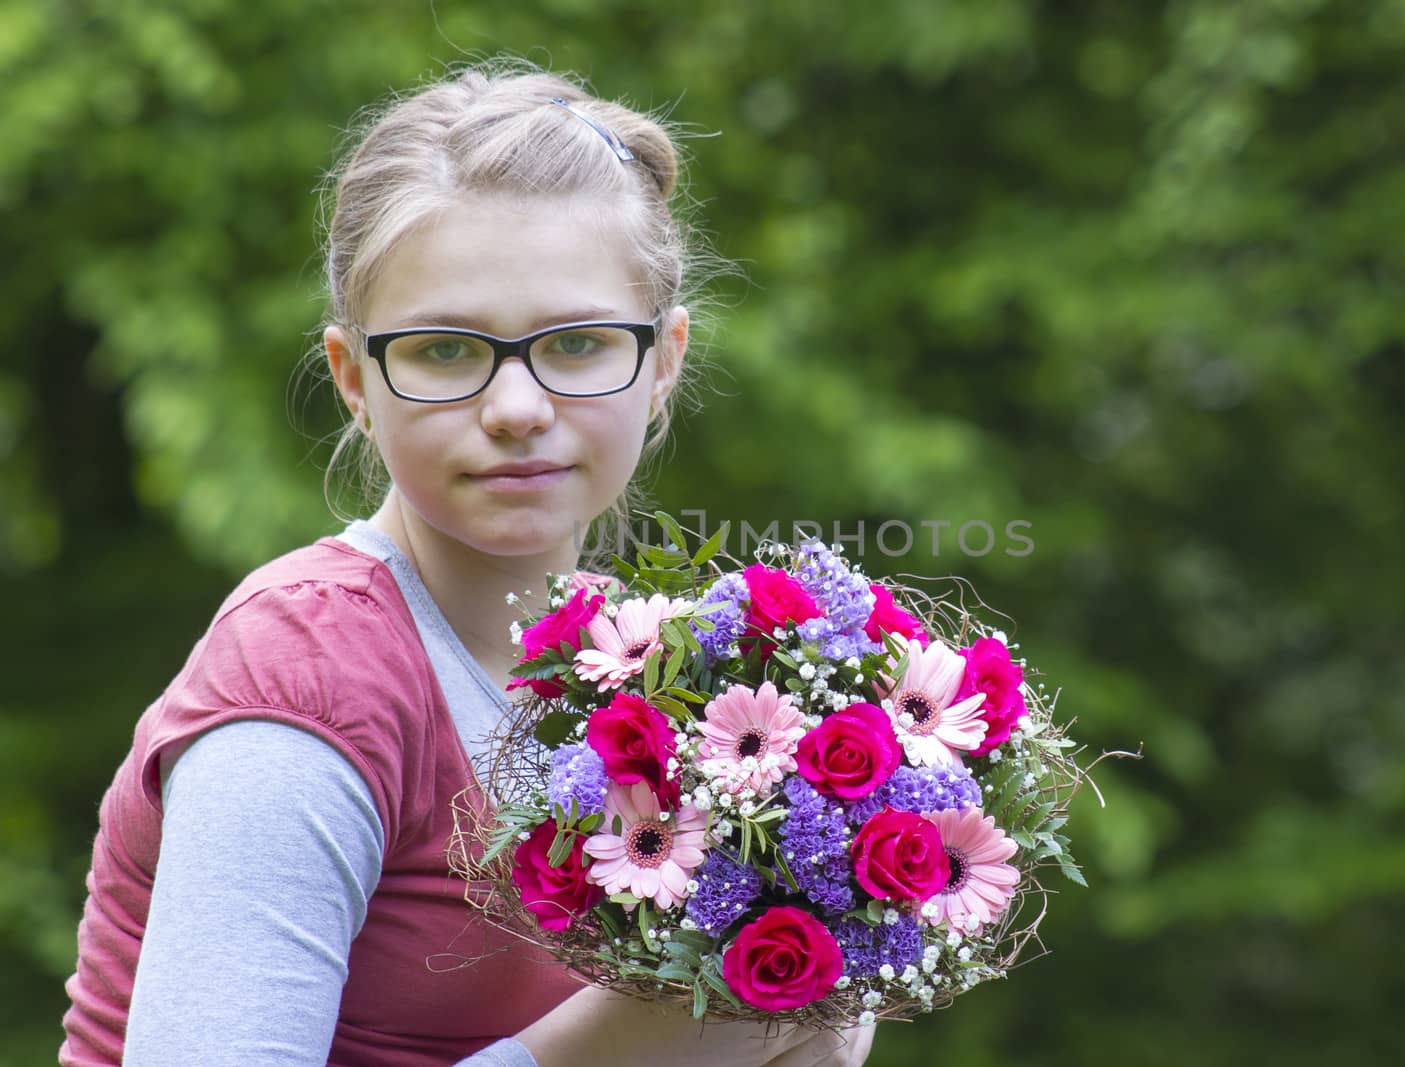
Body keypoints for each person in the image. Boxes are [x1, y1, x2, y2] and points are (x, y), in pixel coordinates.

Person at [60, 59, 876, 1067]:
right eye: (446, 351)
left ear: (662, 361)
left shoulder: (649, 679)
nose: (518, 407)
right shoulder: (310, 684)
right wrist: (639, 1041)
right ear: (355, 378)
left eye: (577, 343)